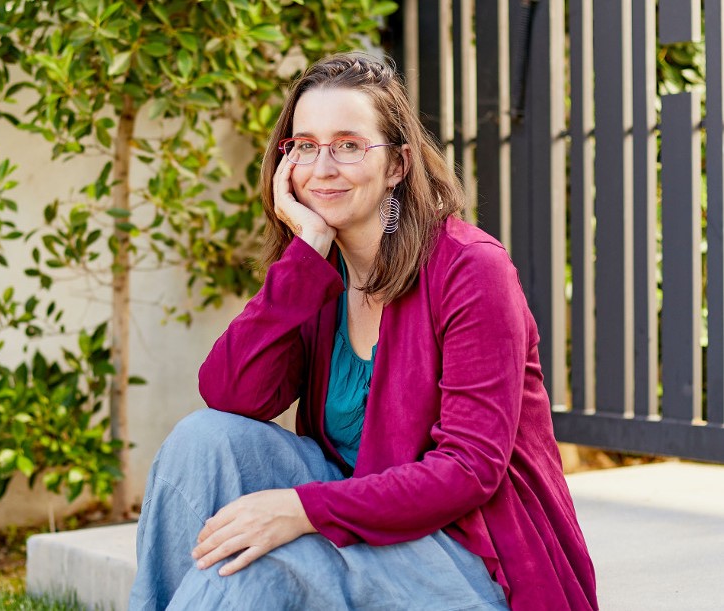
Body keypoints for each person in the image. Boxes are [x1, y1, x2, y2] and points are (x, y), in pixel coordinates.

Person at [129, 53, 598, 611]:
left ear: (398, 165)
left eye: (349, 145)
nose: (322, 167)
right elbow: (232, 394)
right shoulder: (319, 270)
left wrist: (301, 510)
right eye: (304, 145)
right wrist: (304, 253)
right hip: (357, 520)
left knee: (262, 568)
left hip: (466, 556)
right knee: (201, 439)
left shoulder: (471, 269)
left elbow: (469, 471)